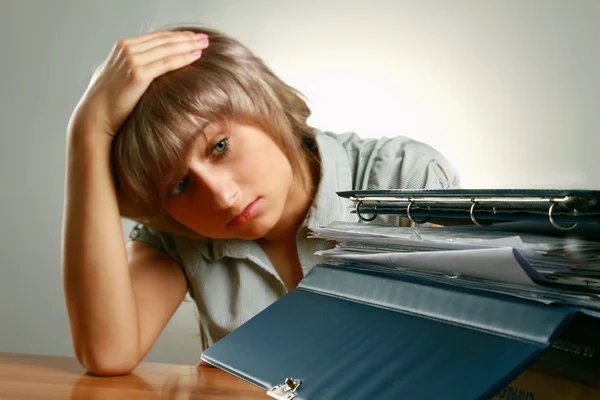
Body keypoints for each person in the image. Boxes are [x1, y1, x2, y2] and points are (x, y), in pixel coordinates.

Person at [62, 25, 460, 376]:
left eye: (219, 146)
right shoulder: (175, 239)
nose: (222, 195)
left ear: (262, 104)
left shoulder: (406, 179)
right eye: (180, 185)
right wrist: (88, 132)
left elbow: (463, 356)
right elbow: (108, 353)